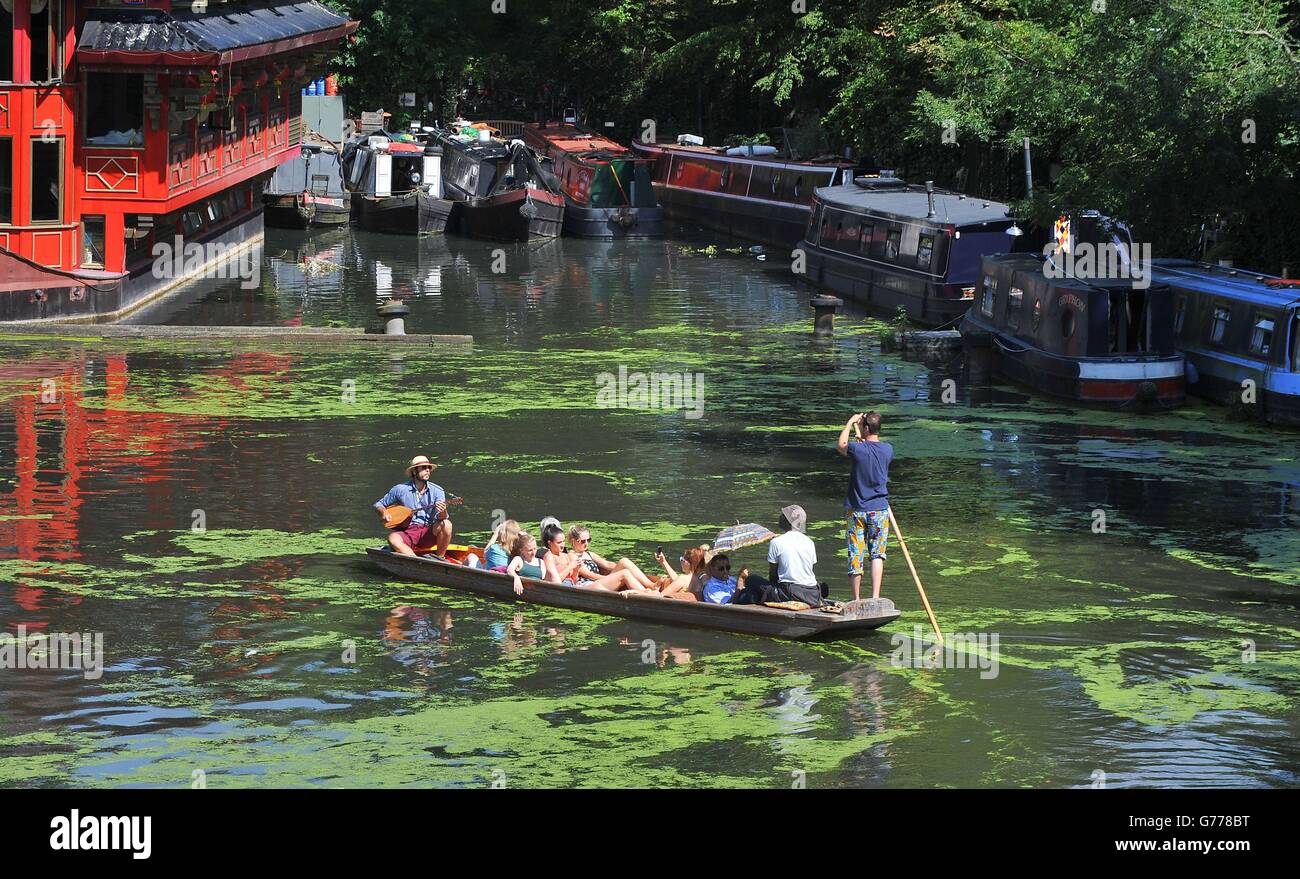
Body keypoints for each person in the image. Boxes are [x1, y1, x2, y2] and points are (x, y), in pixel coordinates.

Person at [838, 411, 893, 601]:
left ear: (866, 428)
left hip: (857, 510)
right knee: (877, 554)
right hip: (879, 509)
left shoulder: (857, 449)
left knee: (855, 553)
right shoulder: (888, 449)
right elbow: (869, 451)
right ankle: (876, 597)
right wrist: (861, 433)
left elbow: (841, 446)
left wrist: (850, 423)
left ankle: (856, 599)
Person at [736, 504, 821, 607]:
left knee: (751, 580)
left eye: (782, 516)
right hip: (812, 593)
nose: (779, 517)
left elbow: (773, 576)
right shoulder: (810, 542)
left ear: (788, 521)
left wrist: (773, 589)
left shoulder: (776, 542)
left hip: (791, 592)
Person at [374, 455, 452, 558]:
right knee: (393, 538)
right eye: (424, 468)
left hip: (428, 531)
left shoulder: (438, 490)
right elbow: (378, 504)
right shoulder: (400, 489)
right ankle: (414, 560)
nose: (428, 470)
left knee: (446, 524)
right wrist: (384, 512)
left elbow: (441, 518)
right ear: (414, 471)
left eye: (429, 468)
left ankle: (440, 558)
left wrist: (443, 510)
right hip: (408, 532)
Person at [568, 525, 659, 591]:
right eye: (583, 541)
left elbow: (607, 564)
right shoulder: (572, 555)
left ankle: (651, 585)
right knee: (624, 573)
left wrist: (619, 566)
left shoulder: (589, 554)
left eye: (589, 540)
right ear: (573, 541)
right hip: (592, 585)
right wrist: (608, 577)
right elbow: (587, 574)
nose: (586, 543)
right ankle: (645, 592)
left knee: (624, 561)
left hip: (602, 580)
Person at [506, 531, 545, 596]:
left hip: (538, 593)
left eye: (535, 549)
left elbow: (544, 580)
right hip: (523, 593)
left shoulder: (541, 562)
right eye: (530, 550)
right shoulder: (518, 559)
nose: (533, 552)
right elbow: (509, 570)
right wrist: (516, 577)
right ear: (522, 550)